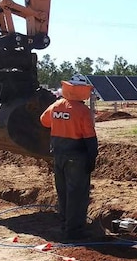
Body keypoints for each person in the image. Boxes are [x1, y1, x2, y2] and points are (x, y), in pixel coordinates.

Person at [39, 75, 98, 241]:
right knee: (77, 194)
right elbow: (89, 137)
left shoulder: (56, 106)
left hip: (58, 156)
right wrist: (92, 158)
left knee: (63, 191)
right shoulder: (83, 112)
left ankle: (65, 225)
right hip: (77, 157)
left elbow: (43, 121)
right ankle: (74, 231)